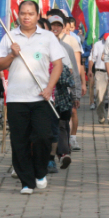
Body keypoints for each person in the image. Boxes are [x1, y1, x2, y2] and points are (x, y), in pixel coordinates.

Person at [0, 0, 65, 195]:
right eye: (23, 13)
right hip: (16, 98)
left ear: (37, 15)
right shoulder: (10, 36)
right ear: (18, 15)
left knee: (44, 137)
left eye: (31, 13)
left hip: (41, 98)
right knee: (20, 141)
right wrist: (11, 55)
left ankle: (40, 171)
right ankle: (27, 181)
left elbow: (58, 65)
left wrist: (49, 87)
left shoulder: (48, 37)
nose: (26, 17)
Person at [46, 10, 82, 172]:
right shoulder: (41, 46)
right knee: (48, 127)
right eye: (52, 25)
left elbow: (74, 70)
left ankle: (61, 154)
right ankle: (51, 156)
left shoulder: (66, 47)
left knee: (61, 124)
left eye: (58, 25)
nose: (55, 28)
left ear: (62, 27)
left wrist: (76, 94)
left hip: (60, 94)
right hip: (42, 93)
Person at [64, 17, 86, 151]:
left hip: (70, 81)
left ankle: (73, 138)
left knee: (73, 111)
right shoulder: (48, 39)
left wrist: (81, 83)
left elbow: (78, 64)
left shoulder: (72, 40)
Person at [89, 34, 109, 123]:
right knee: (99, 96)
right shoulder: (97, 44)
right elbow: (91, 58)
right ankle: (101, 116)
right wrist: (90, 70)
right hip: (100, 72)